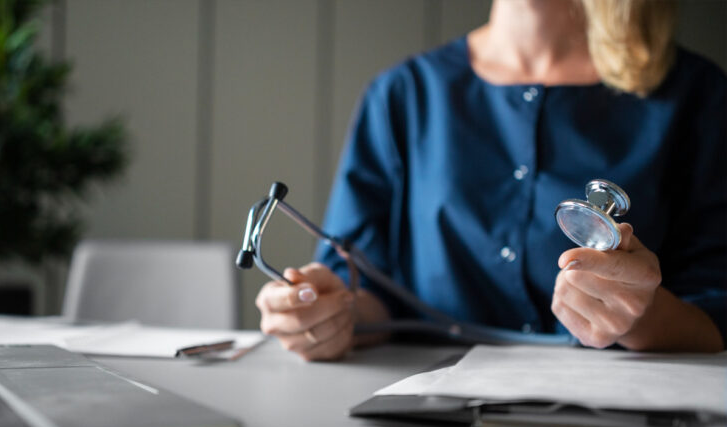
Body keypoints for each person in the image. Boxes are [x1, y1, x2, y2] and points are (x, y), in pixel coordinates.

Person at [255, 0, 726, 361]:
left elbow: (716, 311)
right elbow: (362, 290)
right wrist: (324, 315)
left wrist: (641, 317)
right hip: (427, 423)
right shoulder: (404, 94)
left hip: (618, 426)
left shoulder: (697, 96)